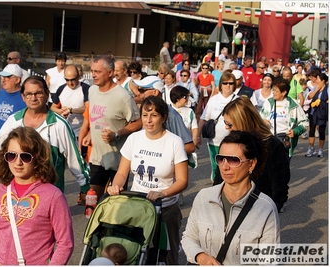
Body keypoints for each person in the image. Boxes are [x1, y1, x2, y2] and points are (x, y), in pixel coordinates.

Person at [0, 76, 90, 234]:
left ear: (47, 94)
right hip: (16, 199)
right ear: (23, 96)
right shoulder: (13, 121)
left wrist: (84, 186)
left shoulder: (60, 125)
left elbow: (76, 160)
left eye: (38, 93)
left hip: (48, 200)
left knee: (41, 247)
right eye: (28, 94)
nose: (33, 98)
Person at [107, 96, 188, 265]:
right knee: (138, 252)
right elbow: (122, 173)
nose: (148, 121)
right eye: (145, 115)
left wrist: (162, 193)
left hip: (165, 209)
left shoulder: (174, 142)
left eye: (154, 115)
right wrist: (116, 186)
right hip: (138, 207)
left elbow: (182, 181)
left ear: (164, 117)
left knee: (168, 254)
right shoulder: (134, 139)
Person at [181, 130, 280, 265]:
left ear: (251, 164)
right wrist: (201, 256)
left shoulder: (265, 208)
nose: (225, 167)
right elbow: (189, 238)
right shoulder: (204, 197)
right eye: (221, 159)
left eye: (234, 160)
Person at [0, 126, 74, 265]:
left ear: (38, 158)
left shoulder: (53, 196)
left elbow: (66, 243)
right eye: (11, 155)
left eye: (25, 156)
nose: (18, 162)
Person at [214, 97, 290, 212]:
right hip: (228, 206)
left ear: (243, 121)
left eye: (230, 124)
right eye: (225, 123)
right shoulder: (229, 143)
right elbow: (219, 178)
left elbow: (280, 183)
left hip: (260, 209)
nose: (226, 127)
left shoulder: (272, 145)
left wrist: (273, 208)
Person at [88, 55, 142, 200]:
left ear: (110, 72)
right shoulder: (92, 90)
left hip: (118, 161)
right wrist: (88, 132)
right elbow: (95, 116)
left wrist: (117, 134)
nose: (93, 75)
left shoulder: (123, 96)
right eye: (92, 71)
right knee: (92, 200)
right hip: (97, 158)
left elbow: (138, 122)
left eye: (97, 72)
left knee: (115, 203)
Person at [196, 72, 238, 182]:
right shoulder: (214, 99)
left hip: (232, 142)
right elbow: (204, 118)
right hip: (214, 141)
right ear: (221, 85)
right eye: (225, 83)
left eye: (231, 83)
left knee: (230, 169)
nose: (228, 85)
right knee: (216, 168)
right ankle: (215, 191)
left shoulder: (238, 100)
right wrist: (197, 136)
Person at [260, 79, 308, 160]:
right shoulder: (268, 102)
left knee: (283, 170)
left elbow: (305, 123)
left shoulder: (293, 104)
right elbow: (259, 120)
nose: (273, 92)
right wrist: (262, 122)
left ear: (284, 92)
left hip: (285, 142)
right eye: (273, 90)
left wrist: (295, 131)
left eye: (276, 90)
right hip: (269, 141)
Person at [50, 64, 89, 137]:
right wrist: (61, 111)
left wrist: (71, 110)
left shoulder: (85, 88)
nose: (70, 83)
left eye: (72, 80)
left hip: (81, 132)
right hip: (64, 132)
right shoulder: (61, 89)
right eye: (67, 80)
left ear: (78, 77)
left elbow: (88, 108)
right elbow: (53, 107)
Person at [0, 64, 27, 137]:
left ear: (17, 80)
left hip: (15, 142)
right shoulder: (0, 93)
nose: (3, 80)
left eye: (7, 77)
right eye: (2, 77)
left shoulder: (25, 97)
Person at [305, 73, 328, 158]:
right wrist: (316, 90)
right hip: (313, 112)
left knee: (322, 131)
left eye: (318, 79)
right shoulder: (315, 88)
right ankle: (311, 148)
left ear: (323, 81)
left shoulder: (328, 89)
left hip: (322, 112)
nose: (316, 81)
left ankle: (321, 150)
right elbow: (309, 97)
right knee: (312, 130)